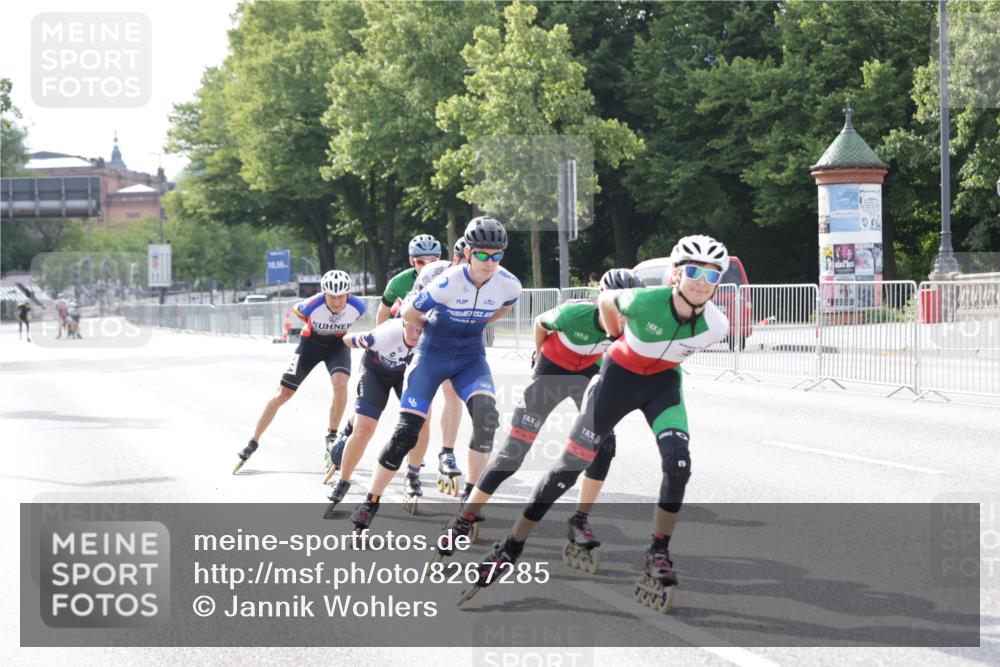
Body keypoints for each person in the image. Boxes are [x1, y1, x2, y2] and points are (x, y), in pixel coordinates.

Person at [456, 235, 731, 613]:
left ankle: (658, 551)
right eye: (694, 272)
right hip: (616, 382)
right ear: (676, 274)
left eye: (712, 275)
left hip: (663, 387)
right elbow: (606, 300)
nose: (702, 282)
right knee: (567, 471)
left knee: (678, 462)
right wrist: (617, 333)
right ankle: (510, 546)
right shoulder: (645, 300)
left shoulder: (717, 325)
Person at [436, 268, 646, 570]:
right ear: (602, 300)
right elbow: (539, 322)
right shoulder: (575, 313)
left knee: (604, 444)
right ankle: (464, 517)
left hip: (586, 373)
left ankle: (580, 520)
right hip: (551, 370)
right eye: (616, 305)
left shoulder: (632, 327)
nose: (623, 316)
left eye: (630, 306)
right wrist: (537, 356)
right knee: (513, 454)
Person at [347, 216, 521, 533]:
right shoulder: (449, 280)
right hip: (432, 354)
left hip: (470, 357)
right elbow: (409, 312)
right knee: (406, 433)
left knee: (486, 419)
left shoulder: (509, 283)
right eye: (483, 254)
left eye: (497, 255)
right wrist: (431, 329)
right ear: (468, 253)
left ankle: (469, 503)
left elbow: (504, 307)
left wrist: (476, 324)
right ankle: (370, 502)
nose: (490, 262)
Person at [323, 260, 452, 516]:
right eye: (411, 326)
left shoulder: (431, 339)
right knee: (364, 429)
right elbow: (348, 339)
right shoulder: (385, 333)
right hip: (376, 373)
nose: (416, 333)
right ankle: (343, 481)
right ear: (402, 322)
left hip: (407, 376)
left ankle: (413, 475)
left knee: (422, 421)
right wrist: (341, 342)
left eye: (421, 328)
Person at [235, 270, 365, 473]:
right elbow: (297, 309)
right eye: (332, 296)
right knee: (283, 394)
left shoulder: (358, 306)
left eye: (341, 296)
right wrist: (313, 324)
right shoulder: (312, 304)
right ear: (324, 294)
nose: (337, 301)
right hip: (310, 344)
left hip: (337, 346)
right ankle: (253, 441)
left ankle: (331, 436)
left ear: (348, 294)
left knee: (341, 385)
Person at [376, 234, 442, 326]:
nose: (427, 267)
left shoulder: (448, 277)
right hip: (410, 324)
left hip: (440, 324)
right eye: (420, 261)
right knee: (397, 309)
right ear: (411, 260)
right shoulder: (398, 282)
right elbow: (383, 314)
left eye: (432, 261)